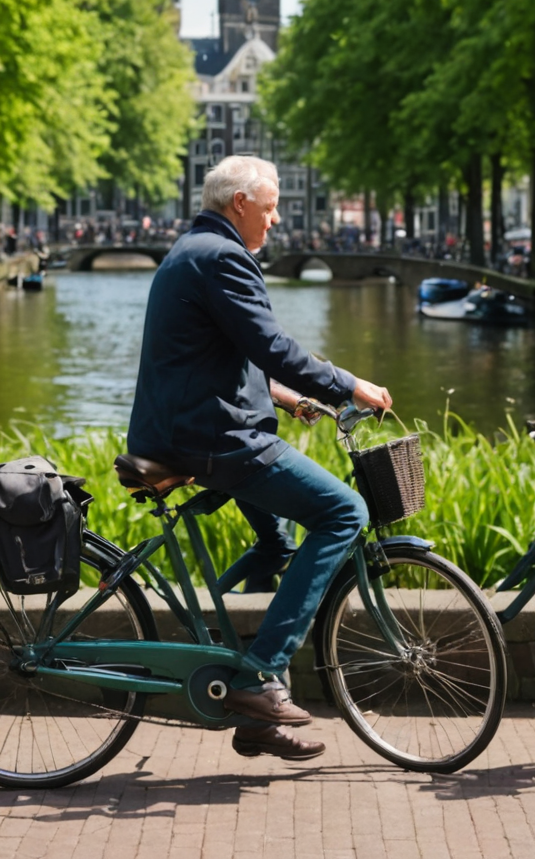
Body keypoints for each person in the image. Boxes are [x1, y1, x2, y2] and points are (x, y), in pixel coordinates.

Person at [127, 155, 391, 763]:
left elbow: (225, 356)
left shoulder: (192, 248)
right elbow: (271, 345)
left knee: (277, 545)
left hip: (190, 429)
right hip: (216, 440)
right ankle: (259, 678)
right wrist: (350, 385)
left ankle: (251, 712)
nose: (275, 221)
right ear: (240, 203)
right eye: (270, 208)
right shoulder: (223, 258)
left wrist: (290, 400)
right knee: (343, 513)